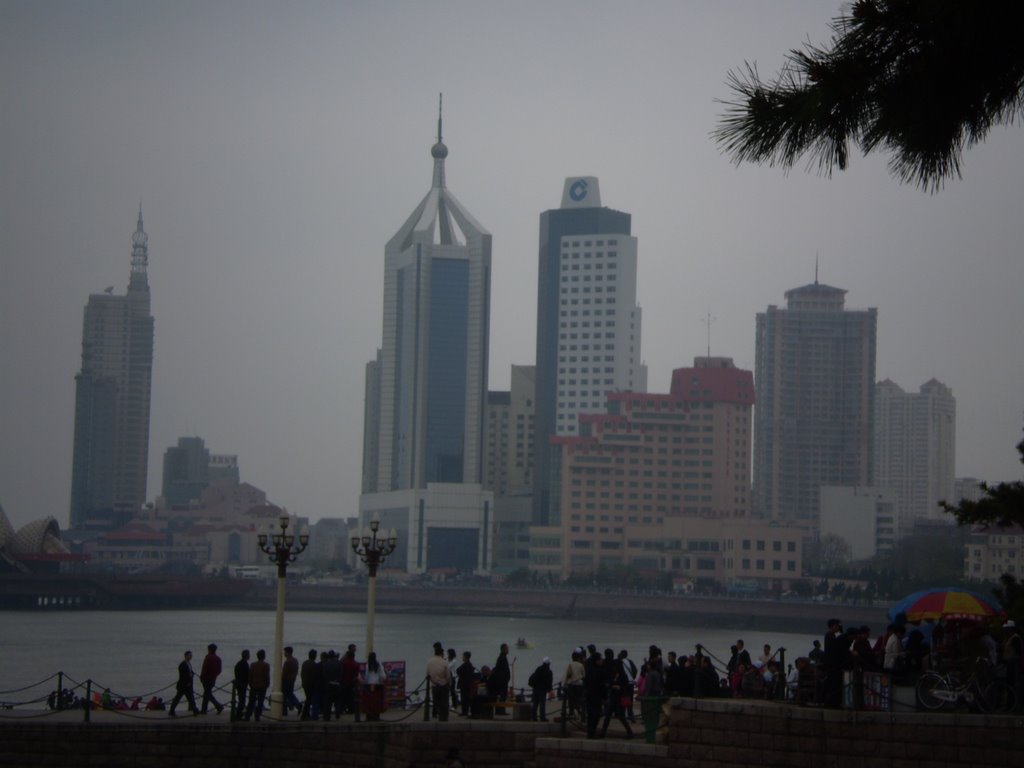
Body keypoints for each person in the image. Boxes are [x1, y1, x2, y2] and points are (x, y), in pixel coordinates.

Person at [599, 649, 634, 738]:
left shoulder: (623, 676)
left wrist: (619, 687)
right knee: (608, 715)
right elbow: (611, 683)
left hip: (620, 697)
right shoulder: (615, 675)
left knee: (621, 717)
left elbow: (625, 687)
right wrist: (610, 685)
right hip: (614, 697)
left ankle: (630, 732)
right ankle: (603, 732)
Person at [168, 650, 199, 717]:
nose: (190, 657)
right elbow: (183, 675)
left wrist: (192, 674)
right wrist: (187, 681)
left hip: (188, 685)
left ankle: (195, 710)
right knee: (178, 698)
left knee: (191, 698)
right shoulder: (182, 664)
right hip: (183, 685)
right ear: (185, 656)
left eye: (191, 655)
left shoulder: (188, 663)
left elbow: (189, 672)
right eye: (189, 655)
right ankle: (171, 711)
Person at [427, 641, 452, 721]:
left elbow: (428, 674)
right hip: (443, 685)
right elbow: (448, 675)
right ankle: (443, 717)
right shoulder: (444, 662)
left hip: (434, 685)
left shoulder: (429, 662)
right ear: (442, 654)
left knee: (436, 702)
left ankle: (436, 714)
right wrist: (448, 682)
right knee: (444, 703)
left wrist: (433, 681)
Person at [199, 643, 225, 715]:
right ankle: (204, 710)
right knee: (207, 693)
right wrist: (214, 675)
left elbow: (204, 669)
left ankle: (218, 706)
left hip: (206, 679)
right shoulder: (218, 659)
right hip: (213, 679)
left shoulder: (208, 658)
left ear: (209, 650)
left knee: (207, 693)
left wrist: (202, 677)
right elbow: (219, 670)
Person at [246, 649, 270, 721]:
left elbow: (250, 676)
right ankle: (257, 716)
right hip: (262, 685)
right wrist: (267, 684)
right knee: (260, 701)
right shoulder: (266, 665)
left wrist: (250, 683)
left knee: (251, 701)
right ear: (263, 656)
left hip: (253, 685)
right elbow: (266, 676)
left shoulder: (253, 665)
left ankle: (248, 715)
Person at [361, 651, 386, 721]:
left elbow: (366, 676)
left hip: (369, 686)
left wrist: (364, 682)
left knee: (369, 701)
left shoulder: (367, 665)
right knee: (377, 701)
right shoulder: (379, 665)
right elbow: (383, 676)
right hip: (378, 685)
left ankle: (369, 716)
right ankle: (376, 716)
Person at [529, 657, 553, 721]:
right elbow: (549, 682)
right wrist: (550, 690)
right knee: (542, 704)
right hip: (543, 690)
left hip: (536, 688)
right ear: (548, 664)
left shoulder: (538, 669)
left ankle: (534, 717)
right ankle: (542, 717)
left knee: (535, 704)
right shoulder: (549, 671)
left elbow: (534, 677)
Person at [489, 643, 511, 713]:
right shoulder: (502, 658)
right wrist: (504, 678)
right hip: (502, 681)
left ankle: (501, 710)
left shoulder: (502, 657)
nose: (508, 650)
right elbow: (501, 670)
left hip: (503, 680)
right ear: (503, 649)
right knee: (502, 696)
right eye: (507, 649)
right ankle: (500, 711)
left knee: (503, 696)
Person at [281, 646, 301, 716]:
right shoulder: (295, 660)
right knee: (290, 694)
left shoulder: (288, 662)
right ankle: (297, 705)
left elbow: (284, 673)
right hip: (292, 680)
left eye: (285, 652)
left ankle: (285, 711)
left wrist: (280, 680)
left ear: (288, 653)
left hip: (286, 681)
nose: (284, 653)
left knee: (285, 696)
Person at [300, 648, 319, 720]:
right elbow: (315, 676)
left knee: (308, 699)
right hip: (311, 685)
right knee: (309, 700)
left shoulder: (305, 663)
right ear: (314, 656)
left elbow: (302, 674)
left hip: (305, 684)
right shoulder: (314, 664)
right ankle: (304, 714)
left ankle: (306, 714)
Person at [456, 651, 477, 717]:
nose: (462, 657)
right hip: (468, 684)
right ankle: (465, 711)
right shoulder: (469, 664)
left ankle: (464, 711)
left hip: (464, 684)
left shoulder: (466, 664)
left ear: (465, 657)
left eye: (463, 656)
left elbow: (458, 670)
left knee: (464, 698)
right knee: (466, 698)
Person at [232, 649, 250, 720]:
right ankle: (238, 715)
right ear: (246, 656)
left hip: (239, 684)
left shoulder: (239, 664)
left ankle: (238, 714)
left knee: (241, 700)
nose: (249, 656)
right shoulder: (245, 664)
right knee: (242, 701)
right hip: (242, 684)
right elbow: (247, 675)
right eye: (248, 655)